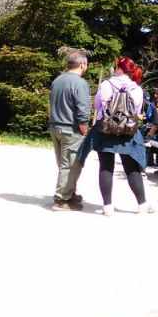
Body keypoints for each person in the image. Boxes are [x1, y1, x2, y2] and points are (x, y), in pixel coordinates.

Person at [78, 56, 150, 216]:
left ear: (118, 68)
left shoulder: (106, 84)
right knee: (131, 168)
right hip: (128, 131)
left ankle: (107, 206)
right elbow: (137, 112)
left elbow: (97, 105)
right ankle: (142, 204)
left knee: (106, 166)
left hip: (106, 129)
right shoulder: (136, 88)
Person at [48, 50, 91, 211]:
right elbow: (82, 109)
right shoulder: (80, 83)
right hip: (70, 129)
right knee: (71, 165)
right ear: (82, 64)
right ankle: (61, 199)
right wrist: (84, 127)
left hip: (55, 127)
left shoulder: (57, 80)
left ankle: (69, 192)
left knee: (63, 163)